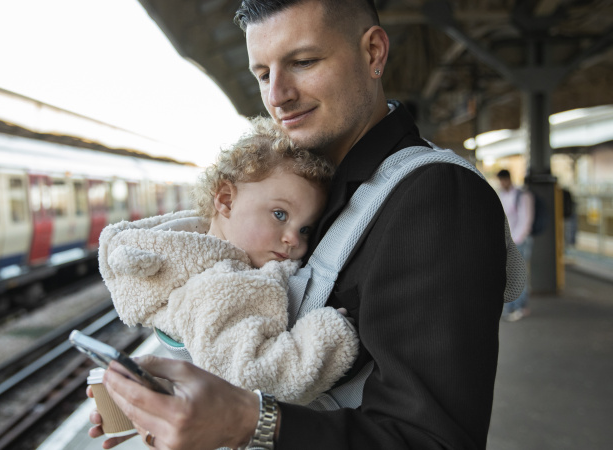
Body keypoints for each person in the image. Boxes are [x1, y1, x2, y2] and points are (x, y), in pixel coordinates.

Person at [91, 1, 510, 449]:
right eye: (263, 74)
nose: (278, 95)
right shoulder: (313, 191)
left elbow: (434, 440)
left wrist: (246, 420)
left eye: (303, 62)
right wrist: (169, 397)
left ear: (373, 53)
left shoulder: (434, 195)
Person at [97, 117, 358, 406]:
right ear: (225, 200)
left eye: (305, 229)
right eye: (280, 215)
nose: (294, 239)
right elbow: (252, 378)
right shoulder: (223, 285)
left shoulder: (198, 261)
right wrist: (329, 335)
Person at [496, 169, 534, 322]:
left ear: (509, 179)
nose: (502, 183)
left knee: (519, 274)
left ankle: (520, 307)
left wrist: (516, 240)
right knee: (509, 274)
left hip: (519, 241)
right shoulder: (502, 194)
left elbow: (526, 220)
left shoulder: (522, 195)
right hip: (508, 241)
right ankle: (511, 307)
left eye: (503, 180)